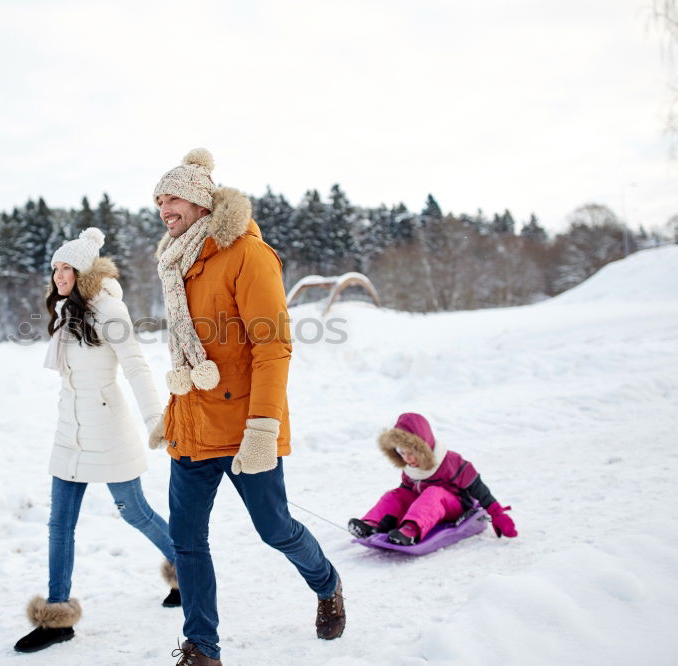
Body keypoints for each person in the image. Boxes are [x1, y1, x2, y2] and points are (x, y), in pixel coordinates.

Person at [147, 149, 345, 666]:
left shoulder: (247, 254)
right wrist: (170, 414)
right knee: (187, 541)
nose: (164, 207)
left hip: (243, 427)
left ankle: (327, 583)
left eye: (173, 197)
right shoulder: (176, 260)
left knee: (274, 528)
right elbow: (189, 347)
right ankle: (202, 648)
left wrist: (262, 428)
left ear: (200, 199)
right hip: (192, 426)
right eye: (159, 199)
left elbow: (272, 346)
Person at [14, 227, 179, 654]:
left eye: (66, 267)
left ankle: (186, 569)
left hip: (108, 430)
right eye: (55, 267)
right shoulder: (68, 312)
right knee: (59, 524)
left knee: (134, 511)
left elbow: (137, 367)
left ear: (83, 270)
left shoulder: (109, 310)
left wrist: (154, 420)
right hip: (70, 430)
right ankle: (56, 617)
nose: (58, 275)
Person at [347, 412, 518, 545]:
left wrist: (497, 514)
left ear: (424, 448)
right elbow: (406, 493)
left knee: (433, 492)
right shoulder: (409, 467)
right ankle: (372, 524)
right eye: (402, 453)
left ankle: (411, 530)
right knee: (396, 494)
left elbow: (478, 488)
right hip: (425, 506)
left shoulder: (450, 461)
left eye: (411, 453)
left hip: (454, 507)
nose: (407, 459)